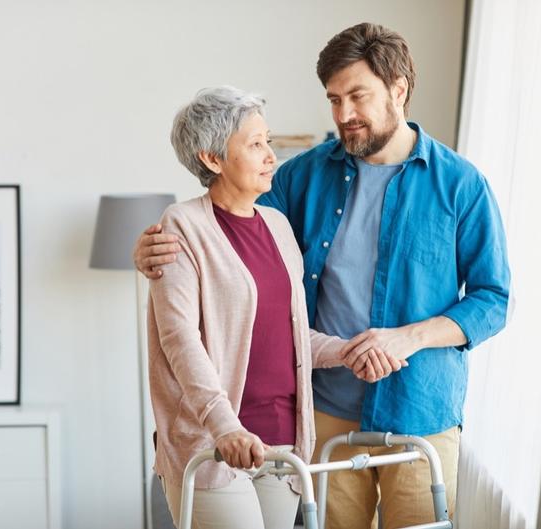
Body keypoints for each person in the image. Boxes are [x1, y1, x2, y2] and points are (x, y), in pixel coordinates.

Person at [136, 23, 511, 529]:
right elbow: (224, 231)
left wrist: (409, 339)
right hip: (323, 411)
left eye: (357, 96)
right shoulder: (300, 176)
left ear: (398, 89)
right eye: (334, 99)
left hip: (420, 407)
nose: (343, 115)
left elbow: (492, 299)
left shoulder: (461, 185)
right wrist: (152, 251)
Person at [147, 86, 406, 529]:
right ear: (212, 158)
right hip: (216, 443)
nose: (270, 155)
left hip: (283, 440)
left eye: (268, 141)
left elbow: (288, 334)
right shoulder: (182, 226)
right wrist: (224, 427)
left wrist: (346, 351)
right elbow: (181, 341)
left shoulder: (277, 225)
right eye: (255, 144)